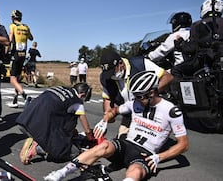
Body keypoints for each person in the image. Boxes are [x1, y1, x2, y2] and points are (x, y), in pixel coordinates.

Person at [44, 71, 189, 181]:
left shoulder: (170, 110)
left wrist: (159, 157)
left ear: (152, 92)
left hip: (145, 153)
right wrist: (105, 119)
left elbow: (183, 145)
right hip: (126, 145)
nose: (136, 100)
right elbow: (115, 110)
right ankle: (60, 174)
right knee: (103, 146)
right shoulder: (135, 103)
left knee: (136, 172)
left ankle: (102, 171)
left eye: (139, 96)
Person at [99, 50, 173, 139]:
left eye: (113, 72)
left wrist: (147, 95)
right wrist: (107, 117)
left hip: (150, 109)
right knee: (122, 140)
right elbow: (108, 99)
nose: (112, 76)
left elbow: (167, 77)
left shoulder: (140, 64)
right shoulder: (106, 78)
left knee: (149, 142)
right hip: (130, 112)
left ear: (121, 63)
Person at [16, 82, 94, 165]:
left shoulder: (58, 89)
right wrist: (90, 138)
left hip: (24, 121)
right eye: (84, 100)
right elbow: (86, 129)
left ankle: (38, 141)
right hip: (38, 130)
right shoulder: (77, 102)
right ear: (82, 95)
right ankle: (37, 148)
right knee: (73, 152)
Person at [173, 0, 223, 78]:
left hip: (206, 62)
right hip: (218, 64)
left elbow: (191, 49)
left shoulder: (197, 25)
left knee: (176, 70)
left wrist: (180, 43)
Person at [8, 9, 34, 108]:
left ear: (13, 18)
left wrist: (6, 49)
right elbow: (31, 38)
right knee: (17, 79)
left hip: (15, 54)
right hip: (23, 54)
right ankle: (15, 101)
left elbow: (10, 38)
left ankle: (25, 96)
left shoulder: (12, 26)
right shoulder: (26, 27)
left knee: (12, 79)